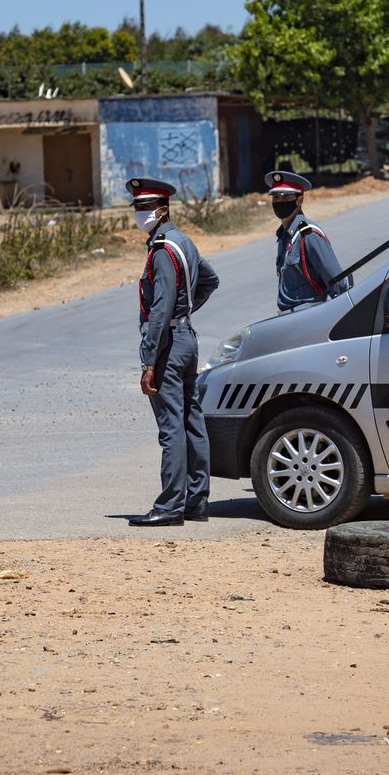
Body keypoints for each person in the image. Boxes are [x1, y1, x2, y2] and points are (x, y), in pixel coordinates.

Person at [129, 177, 219, 527]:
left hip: (168, 342)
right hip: (187, 338)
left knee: (172, 427)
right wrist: (189, 308)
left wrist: (149, 360)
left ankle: (169, 506)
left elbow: (160, 308)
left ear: (162, 210)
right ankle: (196, 502)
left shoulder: (163, 249)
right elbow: (210, 279)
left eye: (144, 208)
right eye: (136, 208)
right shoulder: (184, 241)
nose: (139, 214)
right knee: (191, 421)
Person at [267, 170, 348, 312]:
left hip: (308, 315)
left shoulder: (309, 235)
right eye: (276, 198)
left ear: (299, 199)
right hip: (290, 317)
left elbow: (338, 282)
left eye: (286, 198)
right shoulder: (285, 236)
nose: (280, 202)